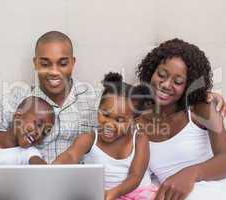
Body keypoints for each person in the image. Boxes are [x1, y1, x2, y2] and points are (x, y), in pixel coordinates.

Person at [0, 31, 226, 182]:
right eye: (45, 63)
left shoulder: (96, 100)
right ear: (35, 63)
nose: (54, 71)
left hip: (70, 188)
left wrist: (202, 94)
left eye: (62, 62)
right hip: (19, 185)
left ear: (74, 63)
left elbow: (134, 105)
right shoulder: (15, 98)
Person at [136, 38, 226, 200]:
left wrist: (191, 173)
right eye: (161, 74)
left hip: (219, 186)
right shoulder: (136, 123)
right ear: (151, 72)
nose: (166, 85)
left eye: (178, 81)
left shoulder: (201, 109)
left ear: (189, 85)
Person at [53, 72, 158, 200]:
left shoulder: (139, 139)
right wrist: (55, 168)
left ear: (134, 121)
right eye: (105, 115)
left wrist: (114, 193)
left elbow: (136, 176)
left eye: (119, 120)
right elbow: (71, 155)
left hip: (137, 194)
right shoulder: (89, 138)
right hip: (102, 196)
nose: (109, 124)